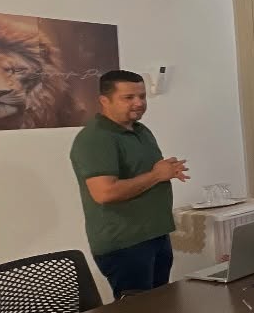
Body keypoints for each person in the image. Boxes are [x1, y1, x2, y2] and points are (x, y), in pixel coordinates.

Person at [69, 69, 188, 297]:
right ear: (104, 101)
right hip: (126, 243)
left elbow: (148, 173)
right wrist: (156, 175)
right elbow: (105, 193)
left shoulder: (141, 131)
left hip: (155, 234)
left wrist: (166, 172)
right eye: (128, 98)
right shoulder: (96, 138)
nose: (139, 103)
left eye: (142, 96)